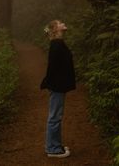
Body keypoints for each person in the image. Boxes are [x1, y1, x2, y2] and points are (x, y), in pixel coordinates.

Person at [40, 20, 76, 158]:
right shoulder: (56, 44)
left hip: (58, 85)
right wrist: (48, 82)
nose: (63, 23)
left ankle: (55, 144)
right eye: (60, 23)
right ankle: (52, 149)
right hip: (57, 86)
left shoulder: (58, 43)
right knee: (54, 117)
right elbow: (52, 67)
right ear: (55, 29)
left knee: (56, 116)